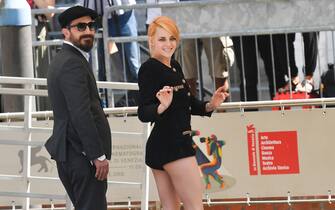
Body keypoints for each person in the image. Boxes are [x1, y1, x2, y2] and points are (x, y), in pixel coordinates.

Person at [137, 16, 229, 210]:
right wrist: (161, 106)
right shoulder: (148, 69)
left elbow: (187, 103)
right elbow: (143, 112)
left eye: (172, 38)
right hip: (173, 146)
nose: (168, 44)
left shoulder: (175, 65)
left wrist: (210, 104)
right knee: (195, 207)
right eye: (162, 39)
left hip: (166, 146)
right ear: (151, 40)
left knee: (171, 207)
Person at [45, 6, 111, 210]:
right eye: (80, 26)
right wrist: (97, 156)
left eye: (92, 26)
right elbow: (80, 113)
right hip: (82, 158)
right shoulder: (72, 62)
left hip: (75, 155)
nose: (88, 31)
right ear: (66, 31)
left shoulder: (66, 59)